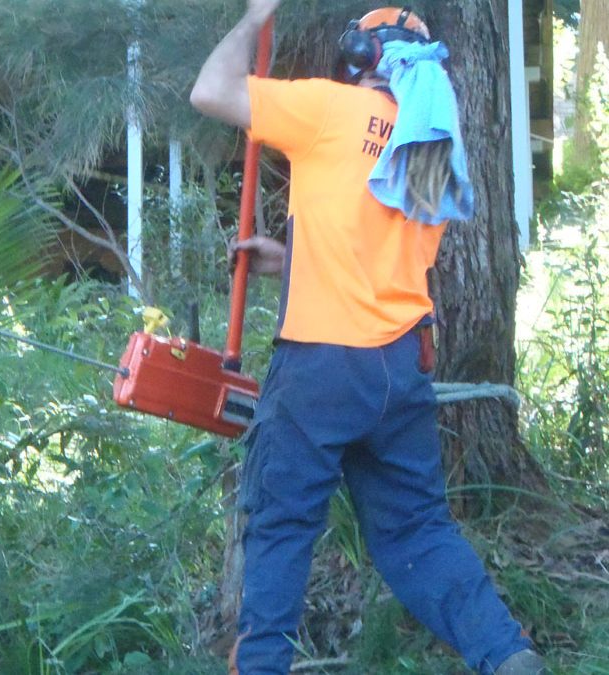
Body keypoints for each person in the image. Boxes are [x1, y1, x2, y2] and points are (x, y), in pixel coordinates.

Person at [190, 3, 547, 674]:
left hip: (319, 367)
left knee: (281, 525)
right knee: (416, 530)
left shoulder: (329, 110)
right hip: (397, 370)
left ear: (361, 55)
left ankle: (259, 664)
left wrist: (252, 19)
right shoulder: (431, 147)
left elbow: (210, 90)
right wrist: (290, 258)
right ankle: (505, 652)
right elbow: (381, 251)